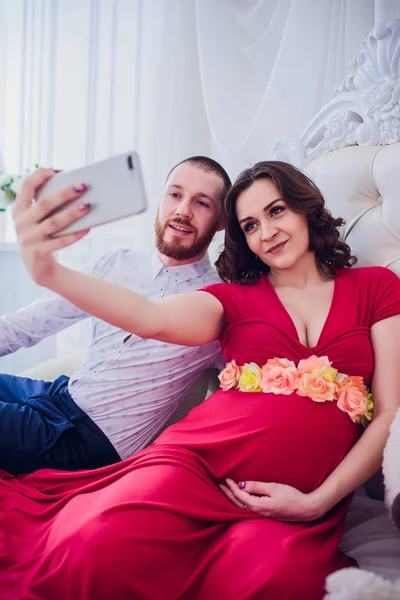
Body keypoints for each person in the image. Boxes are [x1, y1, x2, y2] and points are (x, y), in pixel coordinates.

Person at [2, 161, 400, 600]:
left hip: (297, 498)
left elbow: (388, 414)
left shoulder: (376, 287)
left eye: (276, 211)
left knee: (275, 581)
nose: (266, 232)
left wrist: (319, 501)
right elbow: (150, 319)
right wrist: (49, 272)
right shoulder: (229, 299)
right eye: (250, 224)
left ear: (306, 209)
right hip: (195, 462)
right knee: (87, 550)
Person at [0, 156, 231, 475]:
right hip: (60, 396)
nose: (183, 210)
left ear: (220, 221)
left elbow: (237, 397)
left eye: (202, 203)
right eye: (175, 194)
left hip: (89, 441)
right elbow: (28, 324)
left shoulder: (219, 302)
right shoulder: (116, 264)